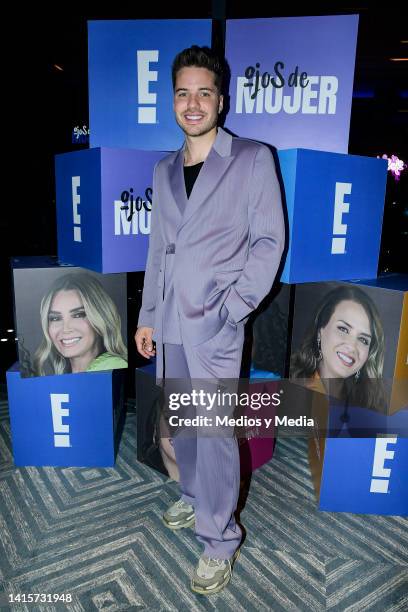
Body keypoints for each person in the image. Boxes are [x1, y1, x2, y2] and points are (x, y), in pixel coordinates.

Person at [135, 45, 284, 595]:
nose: (192, 103)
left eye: (203, 92)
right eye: (182, 93)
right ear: (172, 100)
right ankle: (195, 499)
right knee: (185, 424)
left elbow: (269, 242)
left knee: (216, 432)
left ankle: (220, 540)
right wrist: (148, 314)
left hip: (217, 321)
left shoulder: (250, 158)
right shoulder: (164, 167)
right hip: (170, 320)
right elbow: (157, 250)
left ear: (221, 100)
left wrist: (234, 307)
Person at [290, 285, 386, 411]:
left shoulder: (371, 406)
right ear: (320, 331)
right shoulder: (287, 387)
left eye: (363, 339)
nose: (352, 346)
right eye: (343, 329)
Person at [33, 272, 128, 376]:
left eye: (78, 315)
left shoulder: (113, 367)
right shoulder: (67, 374)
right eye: (55, 318)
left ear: (101, 318)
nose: (66, 329)